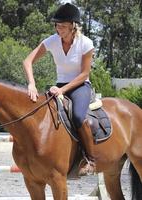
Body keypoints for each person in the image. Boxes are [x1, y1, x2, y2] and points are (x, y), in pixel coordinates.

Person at [23, 3, 95, 176]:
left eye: (62, 26)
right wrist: (31, 83)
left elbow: (85, 74)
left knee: (78, 116)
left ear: (73, 26)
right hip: (59, 86)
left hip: (80, 85)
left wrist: (63, 91)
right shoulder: (52, 41)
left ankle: (91, 160)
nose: (58, 29)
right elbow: (27, 61)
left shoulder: (86, 43)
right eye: (57, 25)